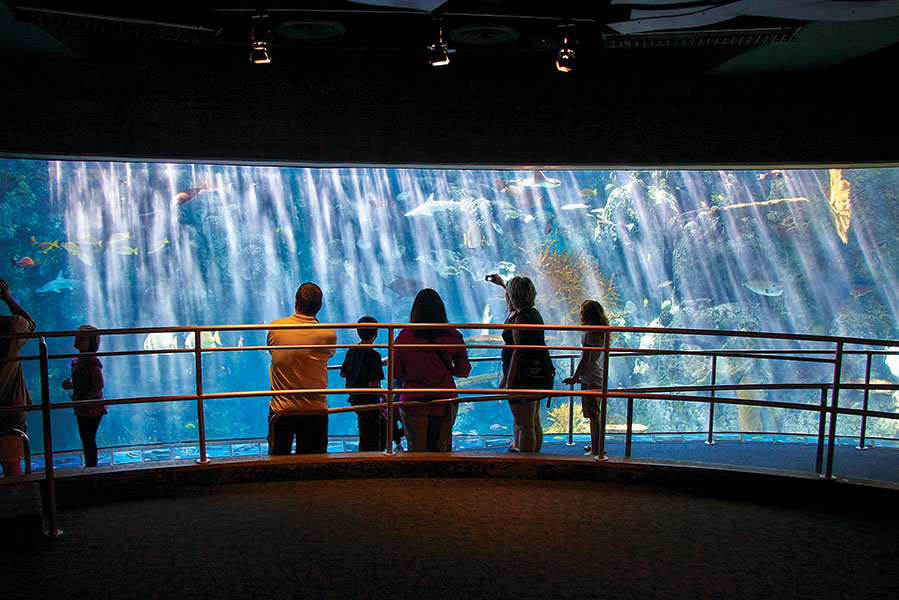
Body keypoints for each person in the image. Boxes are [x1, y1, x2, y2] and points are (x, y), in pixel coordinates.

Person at [394, 288, 470, 452]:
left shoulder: (404, 336)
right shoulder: (453, 335)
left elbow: (397, 372)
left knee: (416, 451)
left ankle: (420, 477)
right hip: (444, 397)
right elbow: (464, 371)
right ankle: (439, 476)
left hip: (413, 399)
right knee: (440, 449)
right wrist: (450, 369)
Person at [267, 282, 337, 455]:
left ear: (295, 303)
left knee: (277, 461)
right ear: (320, 307)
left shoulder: (275, 328)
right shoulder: (328, 334)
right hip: (315, 408)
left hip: (282, 409)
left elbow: (272, 352)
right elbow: (329, 355)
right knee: (313, 464)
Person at [488, 274, 554, 454]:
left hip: (521, 377)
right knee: (532, 421)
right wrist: (503, 284)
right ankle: (534, 457)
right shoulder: (532, 314)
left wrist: (509, 380)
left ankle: (526, 464)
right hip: (535, 373)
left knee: (524, 425)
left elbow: (517, 351)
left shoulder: (520, 318)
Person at [563, 300, 609, 457]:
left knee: (593, 414)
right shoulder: (602, 331)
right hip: (599, 375)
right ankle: (596, 444)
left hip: (589, 378)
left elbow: (585, 359)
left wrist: (575, 377)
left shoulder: (589, 332)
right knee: (596, 413)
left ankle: (597, 450)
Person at [0, 279, 36, 477]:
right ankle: (19, 505)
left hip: (10, 412)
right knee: (13, 470)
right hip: (10, 410)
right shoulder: (10, 327)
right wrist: (8, 299)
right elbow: (31, 325)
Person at [61, 325, 107, 467]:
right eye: (77, 337)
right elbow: (83, 381)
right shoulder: (77, 360)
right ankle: (89, 465)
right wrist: (70, 385)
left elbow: (99, 384)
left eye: (82, 338)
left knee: (88, 437)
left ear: (92, 342)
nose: (78, 340)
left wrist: (86, 398)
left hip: (91, 406)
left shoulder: (92, 360)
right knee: (85, 437)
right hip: (82, 405)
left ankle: (91, 466)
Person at [340, 316, 387, 452]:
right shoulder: (374, 356)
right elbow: (374, 384)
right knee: (372, 434)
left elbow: (342, 373)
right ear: (376, 334)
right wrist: (388, 398)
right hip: (368, 401)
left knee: (374, 427)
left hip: (355, 398)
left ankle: (369, 455)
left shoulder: (351, 351)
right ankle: (371, 458)